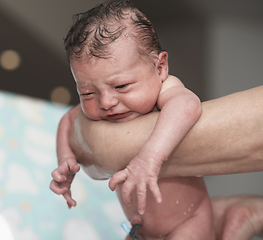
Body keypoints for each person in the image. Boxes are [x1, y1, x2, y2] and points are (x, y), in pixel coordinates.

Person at [51, 1, 216, 239]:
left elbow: (187, 105)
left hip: (188, 222)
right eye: (87, 93)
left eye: (121, 86)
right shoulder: (105, 100)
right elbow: (67, 120)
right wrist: (65, 159)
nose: (106, 102)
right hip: (140, 230)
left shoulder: (165, 89)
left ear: (160, 67)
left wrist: (149, 157)